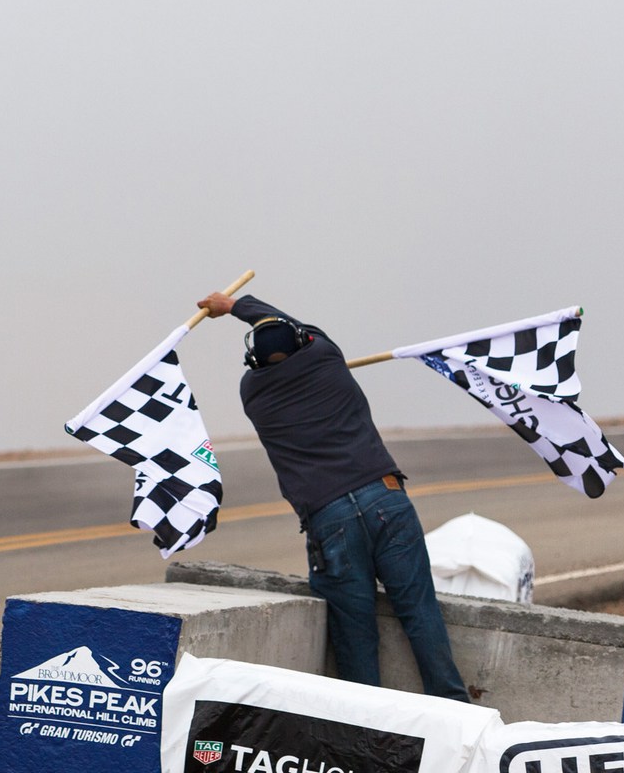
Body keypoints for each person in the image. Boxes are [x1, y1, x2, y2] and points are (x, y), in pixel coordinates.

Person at [197, 289, 468, 700]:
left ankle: (365, 728)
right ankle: (454, 709)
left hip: (329, 518)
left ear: (254, 361)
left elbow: (287, 343)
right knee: (419, 611)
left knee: (354, 635)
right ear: (302, 343)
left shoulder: (254, 394)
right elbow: (295, 326)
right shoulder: (326, 357)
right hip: (385, 497)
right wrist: (235, 306)